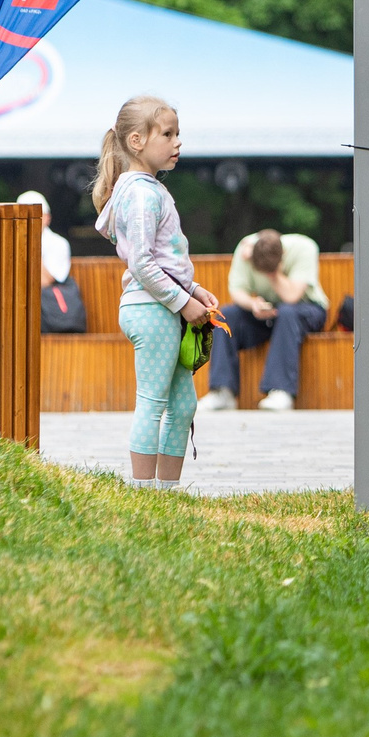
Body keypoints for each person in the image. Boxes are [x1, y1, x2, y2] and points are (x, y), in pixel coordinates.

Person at [92, 96, 219, 490]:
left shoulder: (146, 190)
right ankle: (144, 494)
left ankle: (167, 495)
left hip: (163, 305)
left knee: (183, 405)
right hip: (153, 309)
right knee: (153, 401)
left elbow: (164, 259)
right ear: (136, 141)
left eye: (177, 133)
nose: (177, 142)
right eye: (167, 134)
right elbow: (143, 264)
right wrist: (185, 303)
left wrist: (195, 290)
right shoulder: (143, 194)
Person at [199, 228, 332, 412]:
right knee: (226, 315)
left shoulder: (305, 247)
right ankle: (222, 392)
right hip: (269, 311)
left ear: (283, 254)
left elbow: (292, 296)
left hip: (308, 309)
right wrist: (253, 303)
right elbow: (237, 291)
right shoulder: (245, 248)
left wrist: (273, 273)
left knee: (287, 312)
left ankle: (281, 391)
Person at [20, 190, 85, 333]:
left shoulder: (58, 243)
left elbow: (45, 281)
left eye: (36, 215)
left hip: (46, 316)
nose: (30, 220)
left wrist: (31, 243)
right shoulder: (10, 242)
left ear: (47, 217)